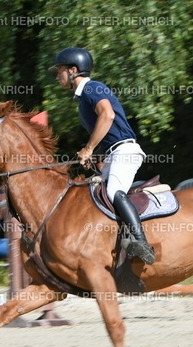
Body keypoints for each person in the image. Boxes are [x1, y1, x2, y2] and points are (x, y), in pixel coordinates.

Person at [49, 46, 155, 264]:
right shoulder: (83, 98)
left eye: (59, 70)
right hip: (113, 154)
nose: (57, 76)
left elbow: (107, 115)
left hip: (125, 151)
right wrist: (95, 157)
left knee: (115, 191)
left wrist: (88, 149)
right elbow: (106, 133)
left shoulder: (92, 88)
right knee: (91, 193)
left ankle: (141, 242)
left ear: (73, 70)